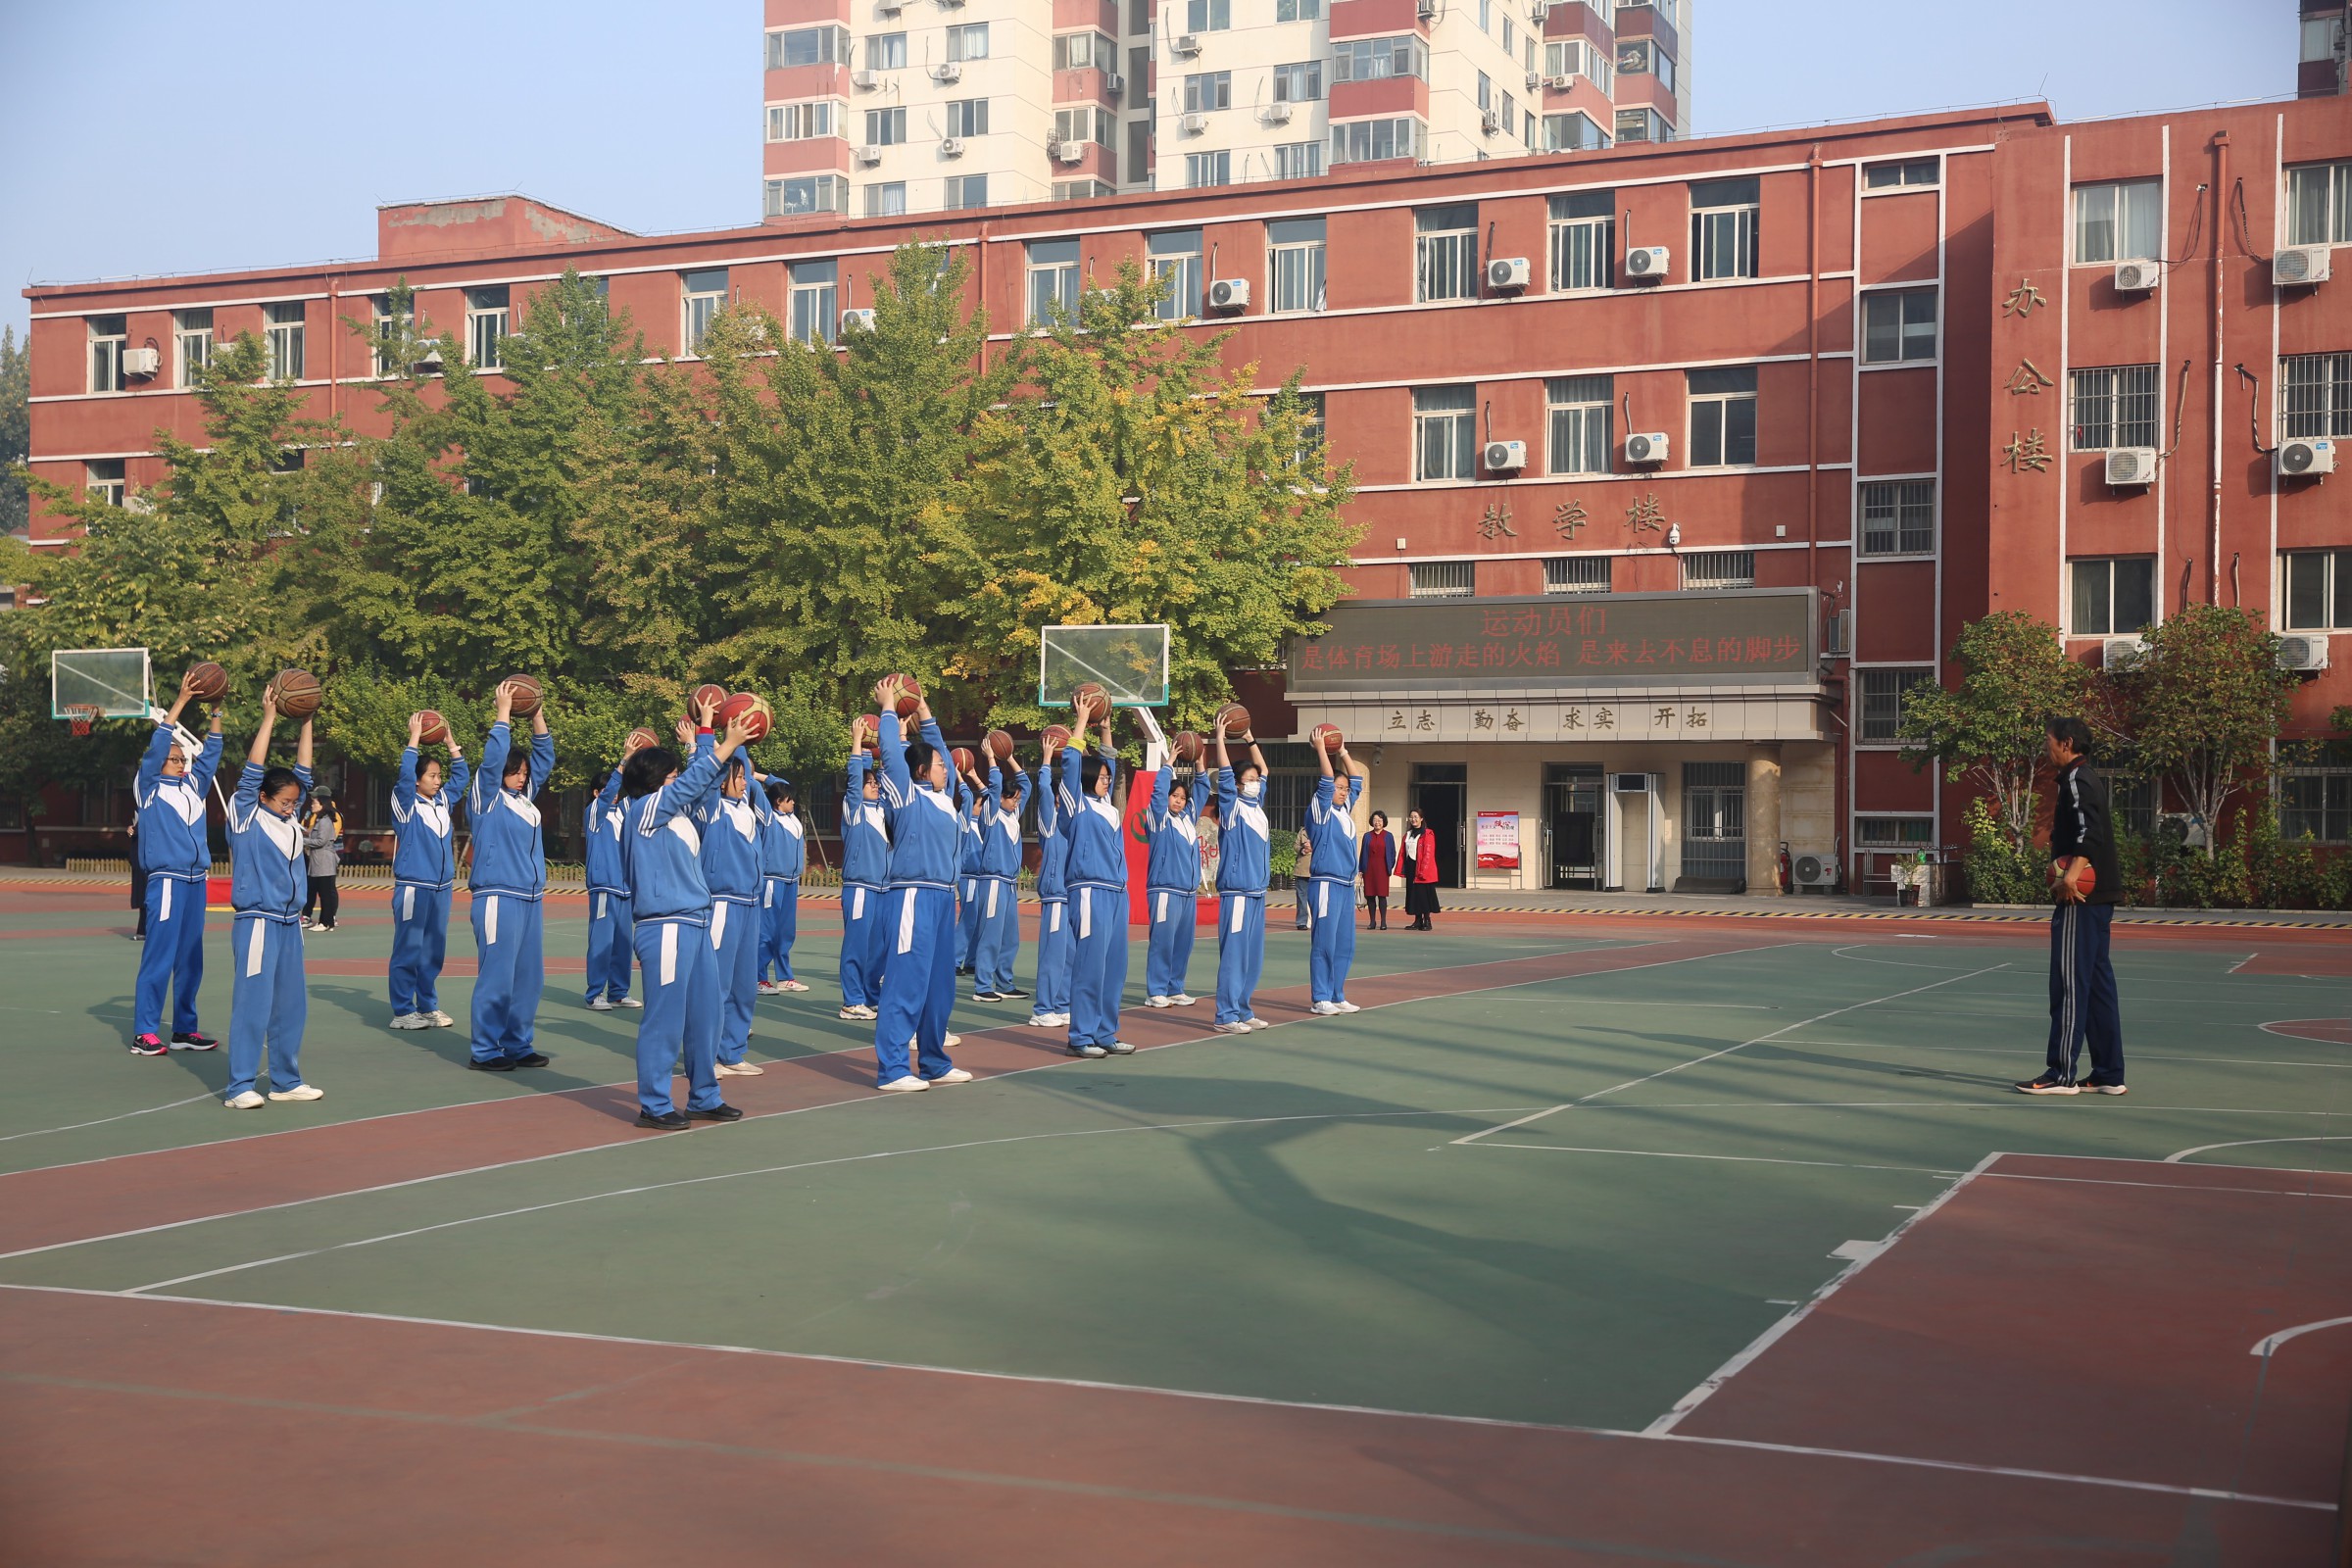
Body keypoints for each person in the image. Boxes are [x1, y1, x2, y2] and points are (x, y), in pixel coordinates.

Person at [617, 699, 755, 1130]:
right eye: (671, 775)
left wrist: (709, 732)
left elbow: (704, 785)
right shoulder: (643, 811)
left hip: (695, 922)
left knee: (706, 1016)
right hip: (665, 927)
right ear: (654, 780)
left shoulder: (678, 816)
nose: (678, 780)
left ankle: (704, 1096)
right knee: (664, 1019)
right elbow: (689, 785)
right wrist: (723, 744)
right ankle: (654, 1103)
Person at [220, 685, 322, 1109]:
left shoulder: (289, 819)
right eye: (284, 801)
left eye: (295, 802)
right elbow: (252, 771)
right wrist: (269, 717)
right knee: (253, 1006)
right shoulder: (246, 815)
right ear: (263, 797)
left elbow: (304, 772)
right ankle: (239, 1086)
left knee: (291, 1007)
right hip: (257, 923)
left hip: (289, 925)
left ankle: (285, 1081)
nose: (291, 807)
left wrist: (307, 720)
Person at [869, 684, 976, 1091]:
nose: (945, 768)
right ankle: (893, 1068)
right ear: (919, 772)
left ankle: (934, 1062)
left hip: (944, 898)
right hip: (912, 896)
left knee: (939, 987)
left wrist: (926, 710)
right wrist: (889, 707)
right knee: (906, 982)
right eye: (938, 765)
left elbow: (940, 750)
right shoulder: (904, 795)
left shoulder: (944, 800)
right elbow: (892, 754)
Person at [2018, 715, 2129, 1097]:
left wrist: (2071, 876)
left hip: (2080, 898)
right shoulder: (2084, 778)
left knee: (2068, 985)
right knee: (2097, 987)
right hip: (2099, 899)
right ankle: (2109, 1073)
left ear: (2066, 743)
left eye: (2047, 740)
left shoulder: (2078, 780)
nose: (2044, 747)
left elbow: (2089, 832)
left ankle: (2061, 1073)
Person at [129, 670, 224, 1055]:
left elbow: (211, 755)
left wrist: (216, 711)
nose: (181, 763)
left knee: (190, 959)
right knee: (159, 956)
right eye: (175, 758)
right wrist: (182, 701)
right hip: (167, 881)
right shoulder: (148, 788)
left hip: (196, 881)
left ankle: (184, 1029)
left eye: (183, 758)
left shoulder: (193, 787)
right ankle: (144, 1032)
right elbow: (156, 748)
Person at [465, 679, 555, 1072]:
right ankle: (485, 1049)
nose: (521, 777)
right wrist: (504, 712)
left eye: (523, 773)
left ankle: (517, 1043)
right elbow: (491, 761)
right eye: (514, 772)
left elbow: (546, 758)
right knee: (497, 978)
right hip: (497, 898)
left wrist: (536, 713)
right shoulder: (487, 797)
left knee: (528, 979)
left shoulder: (524, 801)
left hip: (530, 899)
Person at [1059, 703, 1132, 1058]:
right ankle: (1080, 1036)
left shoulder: (1109, 808)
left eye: (1107, 776)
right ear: (1088, 779)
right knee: (1089, 966)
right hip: (1089, 891)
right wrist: (1083, 720)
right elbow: (1071, 763)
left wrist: (1105, 728)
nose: (1107, 779)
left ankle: (1105, 1032)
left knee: (1113, 968)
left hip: (1117, 892)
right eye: (1102, 776)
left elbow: (1111, 763)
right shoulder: (1075, 805)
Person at [389, 712, 468, 1029]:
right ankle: (402, 1011)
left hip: (441, 888)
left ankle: (427, 1006)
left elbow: (461, 777)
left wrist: (450, 742)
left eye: (439, 775)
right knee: (408, 949)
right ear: (418, 779)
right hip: (413, 887)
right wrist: (414, 737)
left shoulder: (442, 802)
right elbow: (404, 775)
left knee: (433, 951)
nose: (438, 780)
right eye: (432, 776)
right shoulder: (406, 804)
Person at [699, 750, 768, 1077]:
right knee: (716, 984)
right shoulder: (712, 809)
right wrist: (715, 735)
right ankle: (705, 1056)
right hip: (723, 903)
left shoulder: (747, 811)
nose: (744, 783)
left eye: (745, 777)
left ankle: (732, 1051)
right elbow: (707, 771)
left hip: (750, 905)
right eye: (739, 777)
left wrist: (742, 738)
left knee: (744, 986)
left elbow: (754, 781)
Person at [1210, 717, 1273, 1036]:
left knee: (1251, 957)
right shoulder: (1232, 807)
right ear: (1237, 785)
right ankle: (1225, 1014)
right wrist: (1220, 737)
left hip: (1257, 892)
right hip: (1236, 892)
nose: (1255, 783)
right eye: (1249, 780)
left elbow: (1265, 770)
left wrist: (1249, 737)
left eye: (1256, 780)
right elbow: (1224, 772)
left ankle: (1243, 1009)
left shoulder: (1257, 806)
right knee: (1234, 956)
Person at [1302, 739, 1367, 1015]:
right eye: (1339, 788)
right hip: (1326, 884)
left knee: (1344, 945)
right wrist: (1322, 749)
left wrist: (1342, 751)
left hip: (1345, 886)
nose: (1343, 792)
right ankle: (1320, 998)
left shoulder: (1343, 811)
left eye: (1344, 789)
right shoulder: (1320, 811)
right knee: (1324, 943)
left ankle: (1337, 994)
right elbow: (1327, 781)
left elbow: (1358, 781)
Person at [838, 719, 894, 1021]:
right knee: (857, 947)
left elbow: (886, 778)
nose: (874, 785)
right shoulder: (854, 809)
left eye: (875, 783)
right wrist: (858, 741)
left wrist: (882, 746)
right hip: (860, 888)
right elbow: (854, 779)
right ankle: (851, 1001)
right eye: (869, 783)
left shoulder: (883, 811)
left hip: (884, 890)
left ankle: (871, 997)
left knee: (879, 950)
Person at [582, 739, 641, 1013]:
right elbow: (608, 797)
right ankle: (595, 993)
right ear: (596, 792)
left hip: (626, 887)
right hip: (605, 886)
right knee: (602, 942)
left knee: (623, 944)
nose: (613, 794)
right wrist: (624, 760)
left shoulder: (625, 811)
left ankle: (618, 992)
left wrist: (641, 761)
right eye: (606, 789)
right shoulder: (595, 813)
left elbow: (639, 793)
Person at [971, 759, 1032, 1003]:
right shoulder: (991, 815)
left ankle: (1005, 983)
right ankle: (983, 985)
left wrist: (1010, 758)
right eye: (1013, 798)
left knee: (1009, 938)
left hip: (1009, 884)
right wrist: (991, 758)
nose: (1017, 802)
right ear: (1001, 798)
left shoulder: (1012, 815)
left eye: (1018, 799)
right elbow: (995, 786)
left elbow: (1027, 785)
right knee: (991, 935)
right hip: (993, 882)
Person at [1143, 764, 1202, 1007]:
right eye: (1174, 796)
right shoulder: (1158, 819)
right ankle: (1156, 991)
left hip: (1188, 892)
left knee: (1183, 944)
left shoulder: (1187, 819)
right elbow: (1157, 794)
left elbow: (1202, 790)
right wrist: (1170, 762)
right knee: (1162, 942)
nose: (1178, 801)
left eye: (1183, 798)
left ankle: (1174, 988)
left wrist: (1200, 763)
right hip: (1165, 890)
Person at [1027, 735, 1073, 1029]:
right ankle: (1042, 1009)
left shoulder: (1077, 821)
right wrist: (1046, 759)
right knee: (1053, 956)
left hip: (1073, 897)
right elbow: (1044, 788)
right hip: (1056, 896)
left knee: (1071, 956)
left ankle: (1062, 1004)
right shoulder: (1051, 820)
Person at [755, 774, 808, 995]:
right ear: (778, 801)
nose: (793, 802)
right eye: (789, 799)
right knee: (766, 932)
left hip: (790, 882)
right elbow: (760, 792)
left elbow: (784, 783)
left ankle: (785, 978)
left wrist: (762, 776)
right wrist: (751, 776)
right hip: (772, 881)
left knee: (786, 932)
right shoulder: (769, 818)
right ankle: (759, 978)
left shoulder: (792, 818)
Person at [956, 784, 988, 977]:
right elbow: (966, 800)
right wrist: (963, 778)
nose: (983, 808)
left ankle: (971, 961)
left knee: (977, 922)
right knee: (968, 920)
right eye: (980, 805)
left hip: (981, 879)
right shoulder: (965, 823)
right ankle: (953, 960)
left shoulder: (984, 826)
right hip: (969, 878)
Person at [299, 789, 342, 932]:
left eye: (315, 803)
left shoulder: (325, 821)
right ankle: (325, 921)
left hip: (324, 861)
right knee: (321, 891)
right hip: (317, 861)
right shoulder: (319, 819)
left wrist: (301, 840)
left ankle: (326, 922)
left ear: (322, 804)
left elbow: (321, 841)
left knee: (326, 894)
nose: (312, 805)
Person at [1399, 808, 1442, 931]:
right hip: (1411, 867)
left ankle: (1427, 920)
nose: (1413, 819)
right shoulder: (1408, 834)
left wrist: (1423, 870)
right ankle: (1417, 920)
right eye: (1411, 817)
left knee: (1423, 895)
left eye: (1416, 817)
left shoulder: (1428, 834)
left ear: (1421, 819)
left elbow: (1428, 854)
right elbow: (1403, 852)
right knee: (1413, 894)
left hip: (1423, 869)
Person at [1361, 810, 1396, 931]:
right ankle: (1372, 921)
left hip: (1382, 869)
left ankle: (1383, 921)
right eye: (1375, 820)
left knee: (1382, 896)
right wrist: (1361, 869)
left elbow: (1392, 853)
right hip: (1369, 868)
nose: (1377, 822)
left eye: (1380, 820)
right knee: (1370, 896)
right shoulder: (1367, 836)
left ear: (1384, 822)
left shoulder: (1388, 836)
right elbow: (1363, 853)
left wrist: (1389, 866)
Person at [129, 819, 147, 941]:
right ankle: (142, 929)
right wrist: (132, 829)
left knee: (150, 897)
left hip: (150, 861)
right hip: (140, 860)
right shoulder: (141, 812)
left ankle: (146, 930)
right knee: (143, 896)